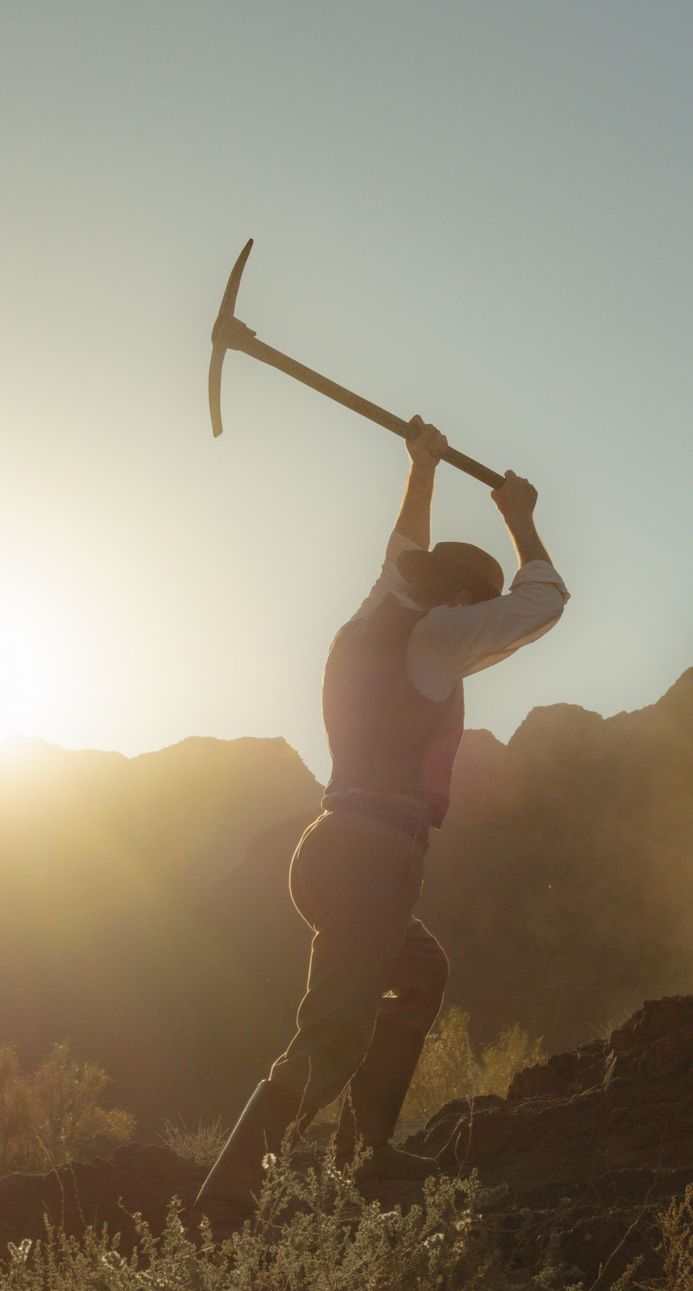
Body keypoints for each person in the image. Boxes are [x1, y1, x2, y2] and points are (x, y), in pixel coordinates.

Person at [195, 417, 566, 1212]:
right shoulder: (436, 635)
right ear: (465, 599)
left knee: (419, 971)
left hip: (330, 843)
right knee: (329, 1037)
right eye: (477, 607)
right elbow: (544, 601)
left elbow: (401, 550)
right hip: (370, 857)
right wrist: (519, 513)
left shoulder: (373, 616)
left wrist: (422, 470)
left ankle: (365, 1152)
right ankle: (216, 1211)